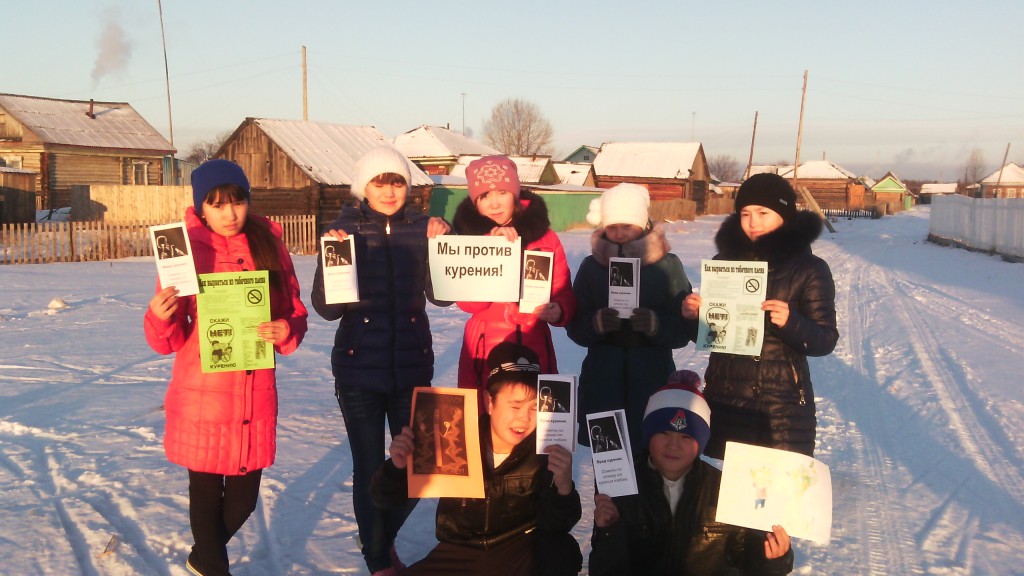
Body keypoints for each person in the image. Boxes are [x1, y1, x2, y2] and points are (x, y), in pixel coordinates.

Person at [144, 159, 308, 576]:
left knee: (243, 501)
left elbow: (295, 311)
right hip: (202, 395)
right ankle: (214, 568)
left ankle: (202, 558)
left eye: (237, 202)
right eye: (216, 205)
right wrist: (160, 316)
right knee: (204, 495)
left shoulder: (269, 244)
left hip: (254, 392)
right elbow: (169, 340)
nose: (229, 213)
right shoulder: (183, 251)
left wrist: (286, 328)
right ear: (201, 207)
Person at [310, 146, 450, 576]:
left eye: (397, 181)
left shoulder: (426, 228)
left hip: (412, 367)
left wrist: (442, 246)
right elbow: (327, 310)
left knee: (422, 463)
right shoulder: (342, 231)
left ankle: (377, 538)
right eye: (379, 181)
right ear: (363, 187)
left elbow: (442, 297)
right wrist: (334, 262)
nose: (389, 191)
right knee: (369, 467)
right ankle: (378, 560)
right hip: (358, 370)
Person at [371, 342, 583, 575]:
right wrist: (398, 468)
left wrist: (563, 488)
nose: (524, 418)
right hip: (460, 552)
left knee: (563, 551)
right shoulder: (453, 438)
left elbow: (557, 525)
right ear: (489, 402)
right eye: (515, 406)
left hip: (517, 550)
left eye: (534, 408)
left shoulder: (544, 450)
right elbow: (385, 499)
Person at [682, 173, 838, 458]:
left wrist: (792, 323)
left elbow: (825, 340)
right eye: (745, 214)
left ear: (785, 215)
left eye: (763, 213)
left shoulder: (809, 269)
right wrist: (695, 317)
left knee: (775, 485)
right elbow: (713, 335)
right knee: (724, 483)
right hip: (725, 402)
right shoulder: (724, 264)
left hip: (781, 408)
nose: (753, 222)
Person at [588, 370, 794, 576]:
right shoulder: (621, 488)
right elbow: (604, 570)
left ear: (701, 443)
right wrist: (609, 532)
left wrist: (773, 560)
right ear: (648, 436)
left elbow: (746, 562)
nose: (673, 445)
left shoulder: (727, 488)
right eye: (663, 433)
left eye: (686, 437)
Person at [567, 183, 698, 451]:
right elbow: (575, 326)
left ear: (643, 223)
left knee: (651, 456)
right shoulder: (592, 267)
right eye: (612, 226)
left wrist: (656, 325)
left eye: (627, 226)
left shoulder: (667, 265)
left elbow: (683, 331)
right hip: (603, 380)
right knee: (608, 460)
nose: (619, 234)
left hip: (652, 377)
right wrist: (595, 324)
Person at [453, 155, 576, 413]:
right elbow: (469, 303)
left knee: (535, 416)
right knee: (484, 417)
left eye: (502, 192)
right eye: (484, 196)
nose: (494, 203)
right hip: (485, 347)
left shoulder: (545, 238)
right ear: (475, 202)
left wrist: (559, 309)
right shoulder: (468, 240)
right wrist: (492, 250)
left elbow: (563, 290)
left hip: (534, 342)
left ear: (515, 194)